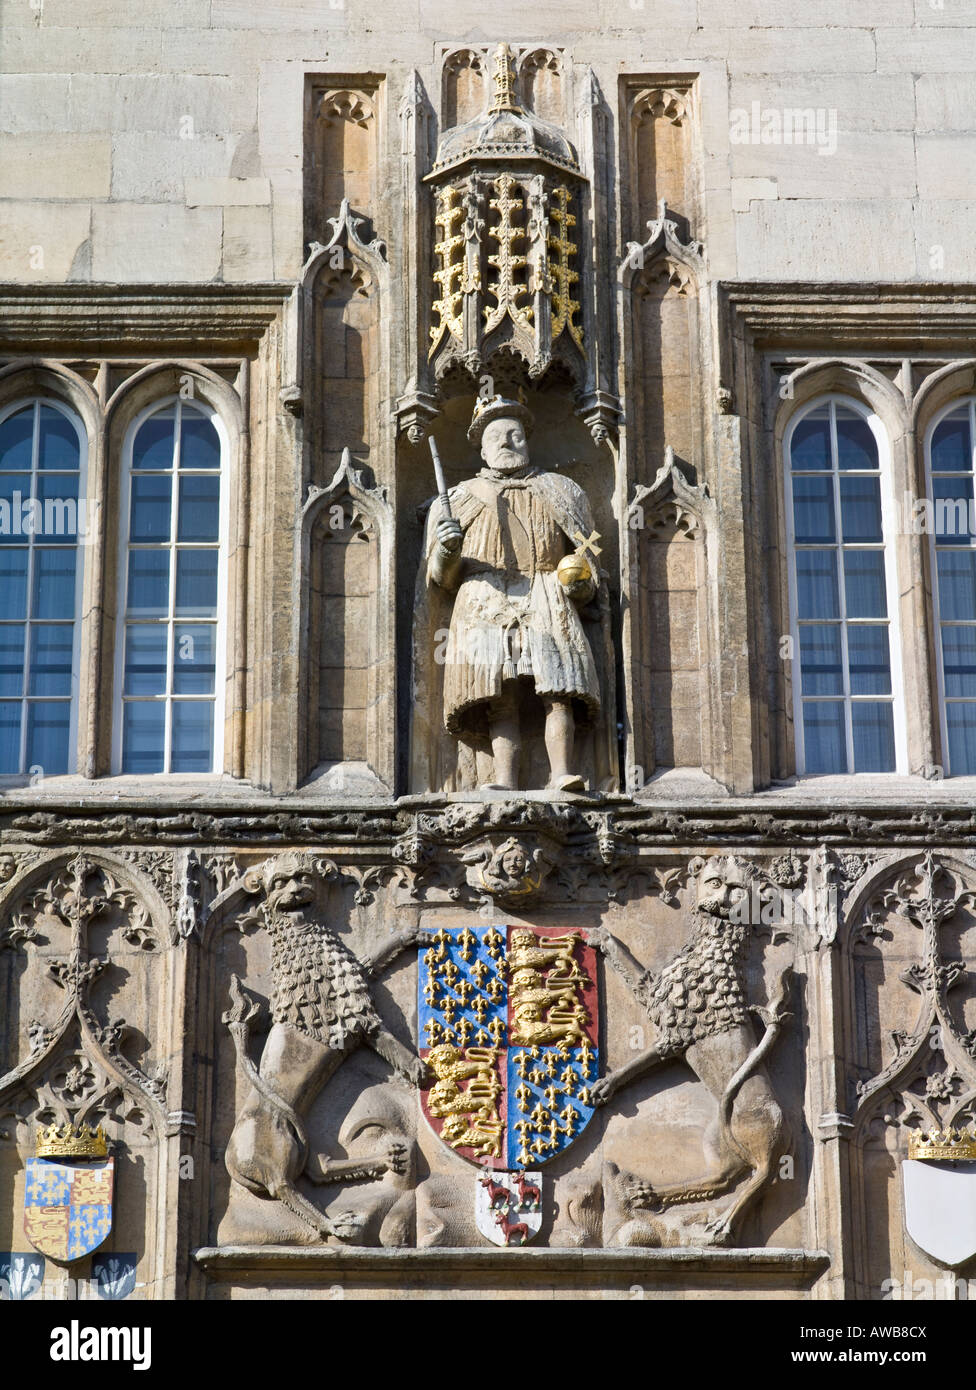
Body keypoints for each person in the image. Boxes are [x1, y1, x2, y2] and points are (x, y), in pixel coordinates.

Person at [426, 394, 601, 791]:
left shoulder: (561, 490)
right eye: (496, 436)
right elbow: (440, 578)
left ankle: (561, 774)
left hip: (546, 592)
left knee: (559, 689)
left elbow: (589, 558)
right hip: (484, 598)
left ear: (528, 439)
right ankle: (502, 778)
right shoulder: (458, 499)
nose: (506, 442)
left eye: (515, 435)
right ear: (481, 447)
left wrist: (582, 581)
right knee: (497, 693)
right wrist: (448, 551)